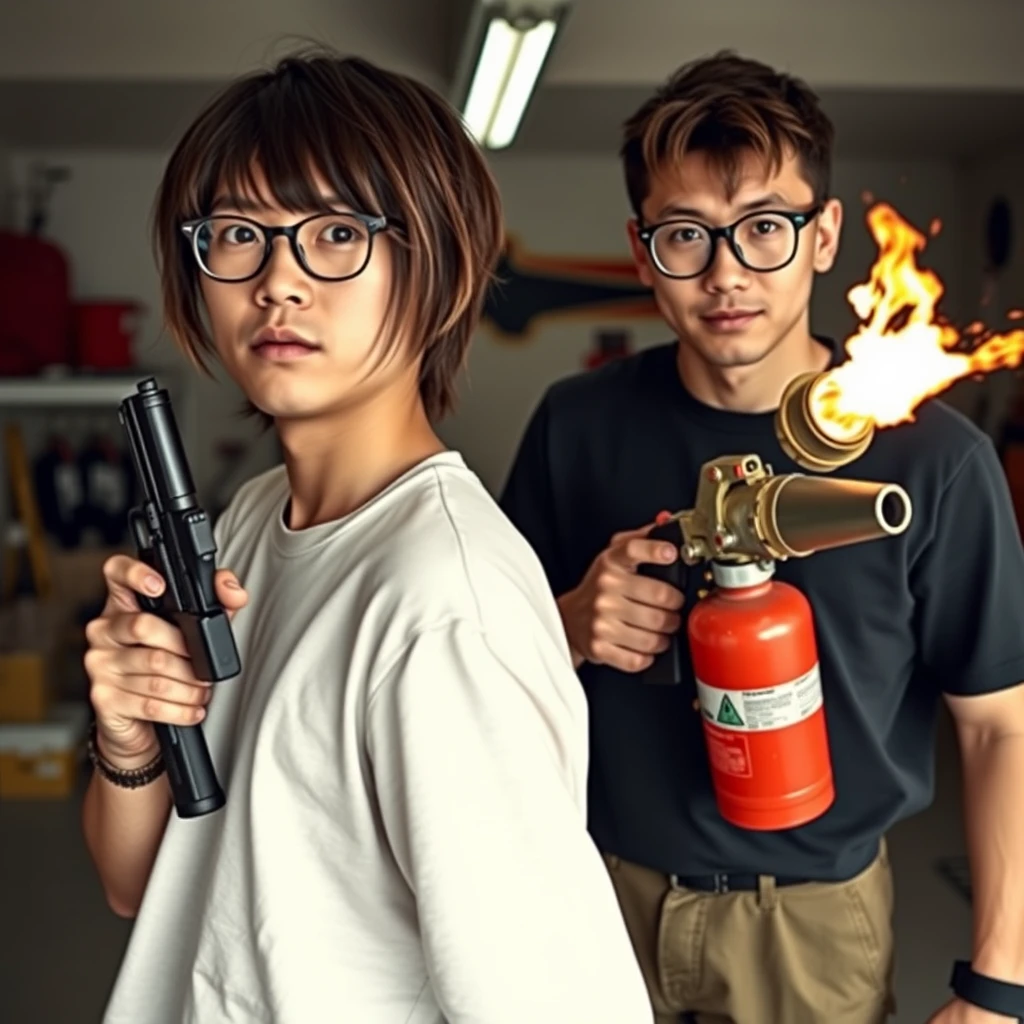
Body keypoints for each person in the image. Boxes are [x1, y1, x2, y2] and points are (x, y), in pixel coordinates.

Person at [81, 50, 653, 1024]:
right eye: (236, 235)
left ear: (431, 264)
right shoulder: (253, 518)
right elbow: (142, 883)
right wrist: (130, 737)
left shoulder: (443, 606)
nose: (277, 283)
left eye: (336, 233)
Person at [500, 51, 1024, 1024]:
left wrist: (998, 982)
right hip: (597, 892)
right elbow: (474, 668)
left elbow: (998, 723)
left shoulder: (933, 460)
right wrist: (565, 624)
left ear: (823, 237)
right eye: (685, 235)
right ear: (639, 245)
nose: (726, 271)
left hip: (811, 924)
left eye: (764, 229)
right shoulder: (576, 425)